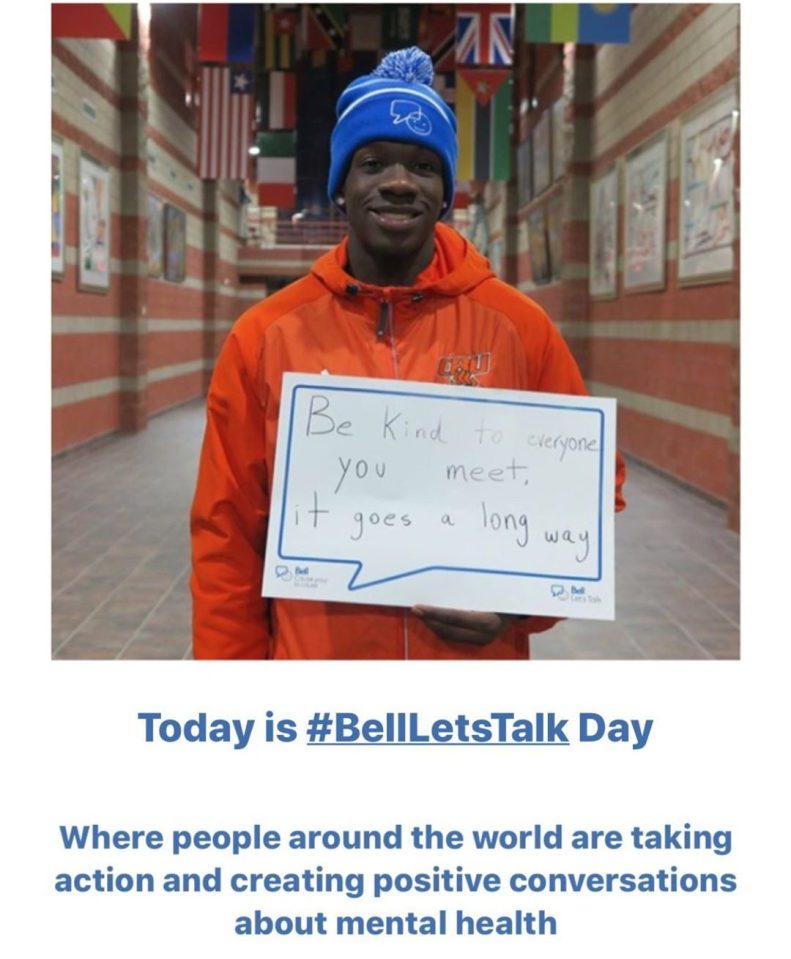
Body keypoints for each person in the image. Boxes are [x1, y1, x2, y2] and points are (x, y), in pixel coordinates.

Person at [190, 48, 626, 660]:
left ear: (444, 191)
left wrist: (519, 605)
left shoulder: (517, 327)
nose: (398, 182)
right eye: (372, 163)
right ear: (341, 186)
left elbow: (592, 484)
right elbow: (226, 531)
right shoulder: (265, 335)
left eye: (423, 166)